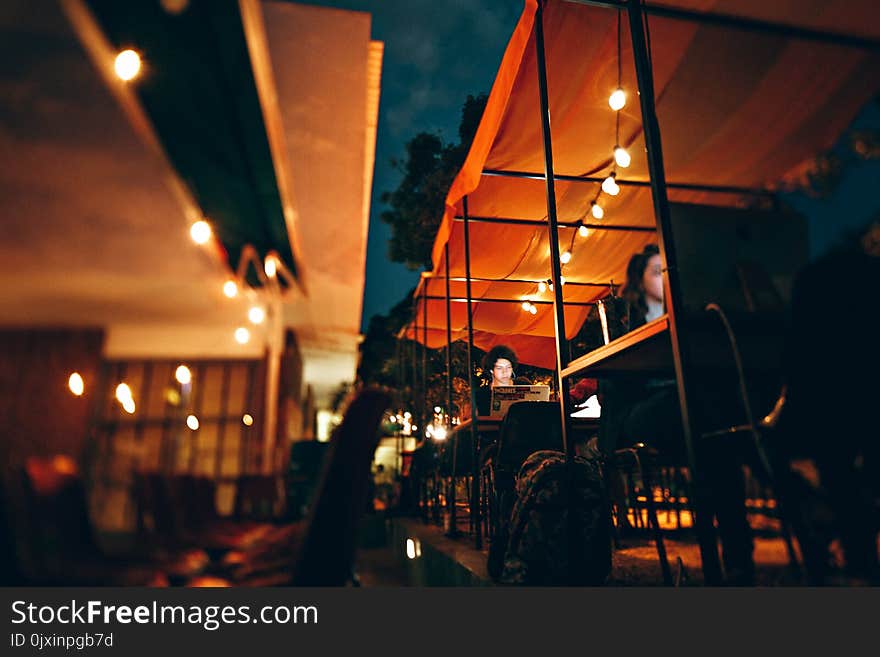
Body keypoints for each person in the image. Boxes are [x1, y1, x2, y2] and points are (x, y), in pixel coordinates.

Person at [599, 243, 756, 584]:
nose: (665, 277)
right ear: (640, 281)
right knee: (714, 432)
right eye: (657, 271)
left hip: (692, 413)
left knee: (714, 444)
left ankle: (734, 557)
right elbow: (616, 385)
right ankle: (739, 548)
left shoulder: (694, 318)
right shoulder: (626, 322)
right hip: (643, 411)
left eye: (668, 270)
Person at [474, 344, 520, 417]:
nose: (505, 372)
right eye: (499, 368)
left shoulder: (523, 388)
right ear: (491, 370)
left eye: (508, 367)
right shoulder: (481, 395)